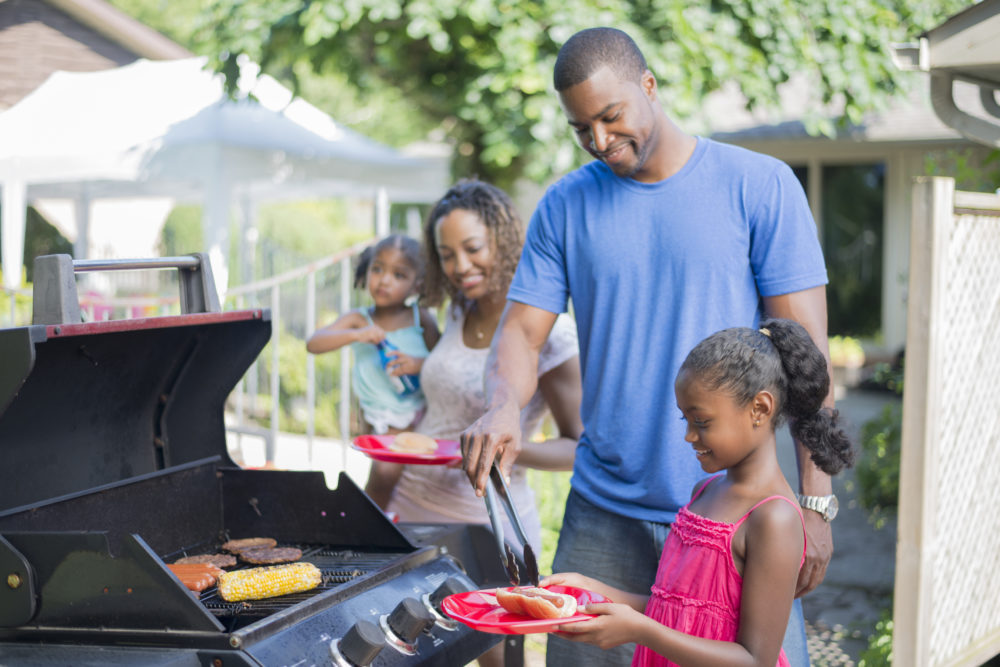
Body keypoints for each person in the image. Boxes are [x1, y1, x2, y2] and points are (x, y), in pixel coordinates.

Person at [460, 28, 835, 666]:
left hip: (741, 517)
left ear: (649, 87)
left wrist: (816, 502)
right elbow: (522, 333)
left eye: (612, 117)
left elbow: (808, 361)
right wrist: (501, 406)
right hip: (604, 512)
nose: (601, 142)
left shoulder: (761, 186)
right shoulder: (564, 207)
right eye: (582, 129)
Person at [545, 318, 854, 666]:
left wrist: (642, 631)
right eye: (685, 421)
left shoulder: (774, 518)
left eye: (702, 422)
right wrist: (593, 590)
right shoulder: (704, 491)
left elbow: (755, 659)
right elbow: (677, 611)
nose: (689, 436)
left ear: (760, 409)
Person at [386, 179, 583, 552]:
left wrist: (497, 446)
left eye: (473, 248)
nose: (460, 267)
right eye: (446, 255)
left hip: (486, 524)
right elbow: (454, 387)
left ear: (503, 242)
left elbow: (579, 448)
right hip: (410, 505)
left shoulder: (552, 332)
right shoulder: (460, 308)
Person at [306, 234, 440, 509]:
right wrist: (357, 335)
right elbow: (314, 343)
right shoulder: (359, 319)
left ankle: (370, 519)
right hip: (377, 417)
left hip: (416, 414)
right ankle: (372, 519)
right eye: (377, 269)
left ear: (417, 284)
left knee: (389, 476)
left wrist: (419, 362)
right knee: (383, 474)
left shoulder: (420, 318)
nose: (384, 279)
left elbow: (443, 362)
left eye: (398, 274)